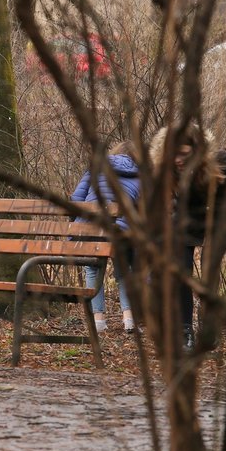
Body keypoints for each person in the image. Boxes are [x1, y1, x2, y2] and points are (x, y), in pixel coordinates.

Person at [149, 123, 226, 352]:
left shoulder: (222, 161)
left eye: (184, 153)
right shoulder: (166, 169)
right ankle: (184, 331)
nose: (178, 159)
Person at [71, 141, 141, 334]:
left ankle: (99, 321)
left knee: (93, 270)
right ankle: (129, 319)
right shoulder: (140, 174)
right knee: (124, 271)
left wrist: (77, 222)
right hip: (121, 231)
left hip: (92, 226)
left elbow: (76, 199)